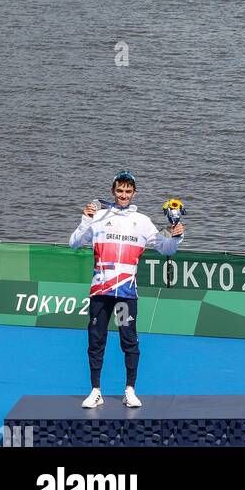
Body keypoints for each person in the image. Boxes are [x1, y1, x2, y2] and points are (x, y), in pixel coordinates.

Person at [69, 171, 184, 408]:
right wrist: (85, 220)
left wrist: (177, 236)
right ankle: (95, 391)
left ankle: (130, 390)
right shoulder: (98, 216)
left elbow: (166, 249)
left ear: (134, 193)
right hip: (101, 292)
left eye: (128, 191)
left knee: (129, 341)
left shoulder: (141, 221)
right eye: (119, 191)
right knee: (96, 340)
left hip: (125, 294)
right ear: (113, 191)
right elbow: (74, 243)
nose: (123, 195)